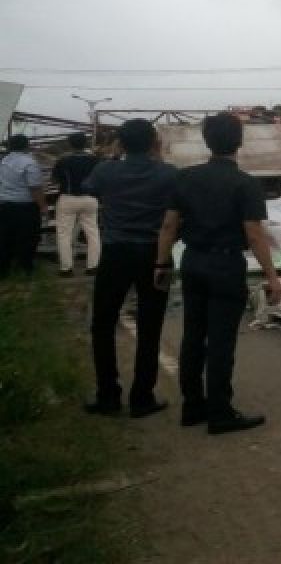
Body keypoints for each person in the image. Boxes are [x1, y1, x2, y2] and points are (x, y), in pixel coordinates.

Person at [155, 112, 281, 435]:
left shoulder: (184, 178)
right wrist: (272, 277)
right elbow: (254, 233)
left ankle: (192, 407)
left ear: (207, 141)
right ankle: (220, 412)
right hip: (226, 266)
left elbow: (169, 225)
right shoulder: (246, 183)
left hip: (193, 262)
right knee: (221, 342)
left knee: (193, 335)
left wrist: (161, 264)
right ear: (238, 142)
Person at [82, 120, 177, 417]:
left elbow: (90, 188)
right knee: (150, 326)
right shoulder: (169, 174)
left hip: (115, 254)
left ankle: (108, 396)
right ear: (154, 142)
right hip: (155, 254)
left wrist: (114, 154)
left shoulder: (105, 170)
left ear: (120, 143)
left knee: (102, 324)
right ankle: (142, 398)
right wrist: (158, 157)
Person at [52, 132, 101, 276]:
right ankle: (93, 267)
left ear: (69, 144)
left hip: (68, 198)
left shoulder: (63, 160)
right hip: (90, 199)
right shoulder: (95, 160)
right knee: (93, 233)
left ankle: (66, 269)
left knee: (64, 234)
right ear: (85, 143)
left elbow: (54, 180)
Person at [0, 134, 47, 278]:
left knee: (5, 238)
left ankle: (4, 269)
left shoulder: (3, 161)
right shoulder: (30, 163)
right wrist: (43, 207)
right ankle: (26, 267)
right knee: (28, 237)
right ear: (26, 145)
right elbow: (35, 188)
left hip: (5, 205)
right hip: (26, 207)